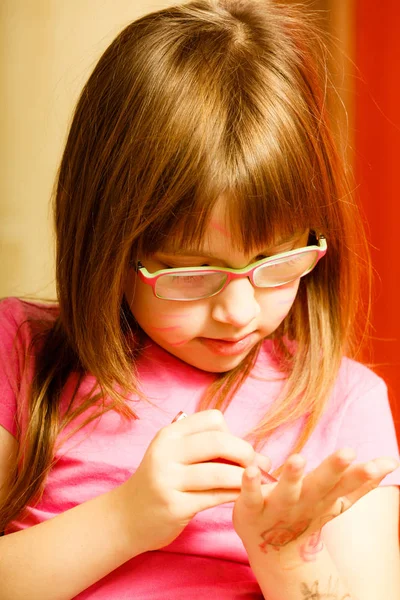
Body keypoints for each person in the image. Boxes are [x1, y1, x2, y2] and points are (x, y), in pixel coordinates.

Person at [0, 0, 399, 598]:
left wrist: (286, 558)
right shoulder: (20, 353)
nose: (238, 313)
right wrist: (125, 520)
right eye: (190, 274)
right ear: (107, 241)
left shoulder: (344, 404)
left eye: (278, 262)